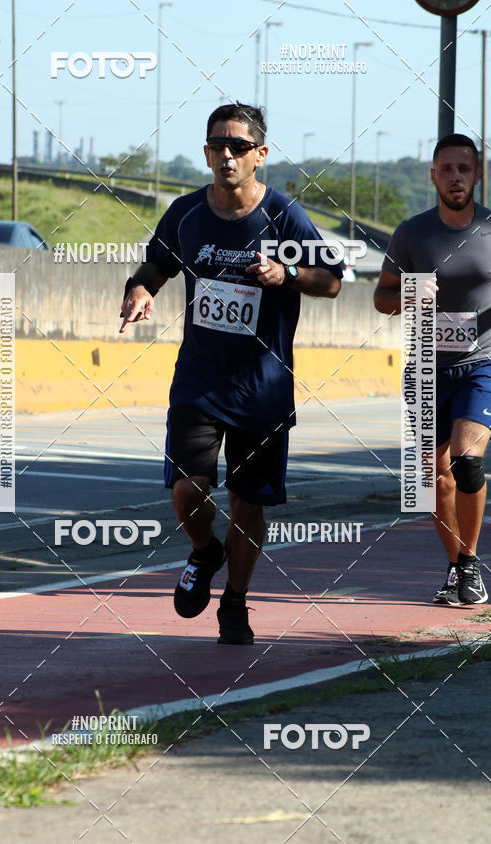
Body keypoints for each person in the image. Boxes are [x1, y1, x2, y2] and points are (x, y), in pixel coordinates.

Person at [119, 102, 343, 643]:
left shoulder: (282, 217)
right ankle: (204, 549)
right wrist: (141, 288)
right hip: (199, 380)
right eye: (217, 144)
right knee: (186, 491)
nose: (226, 154)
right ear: (205, 152)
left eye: (239, 146)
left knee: (247, 502)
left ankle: (236, 604)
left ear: (260, 156)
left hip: (262, 387)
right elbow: (158, 263)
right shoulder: (186, 213)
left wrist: (287, 272)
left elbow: (333, 280)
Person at [374, 133, 491, 606]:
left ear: (477, 175)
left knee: (468, 461)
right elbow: (381, 297)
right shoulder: (411, 233)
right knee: (431, 479)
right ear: (433, 175)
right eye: (447, 169)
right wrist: (409, 293)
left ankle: (469, 563)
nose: (456, 177)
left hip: (482, 364)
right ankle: (457, 566)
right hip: (427, 369)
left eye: (464, 169)